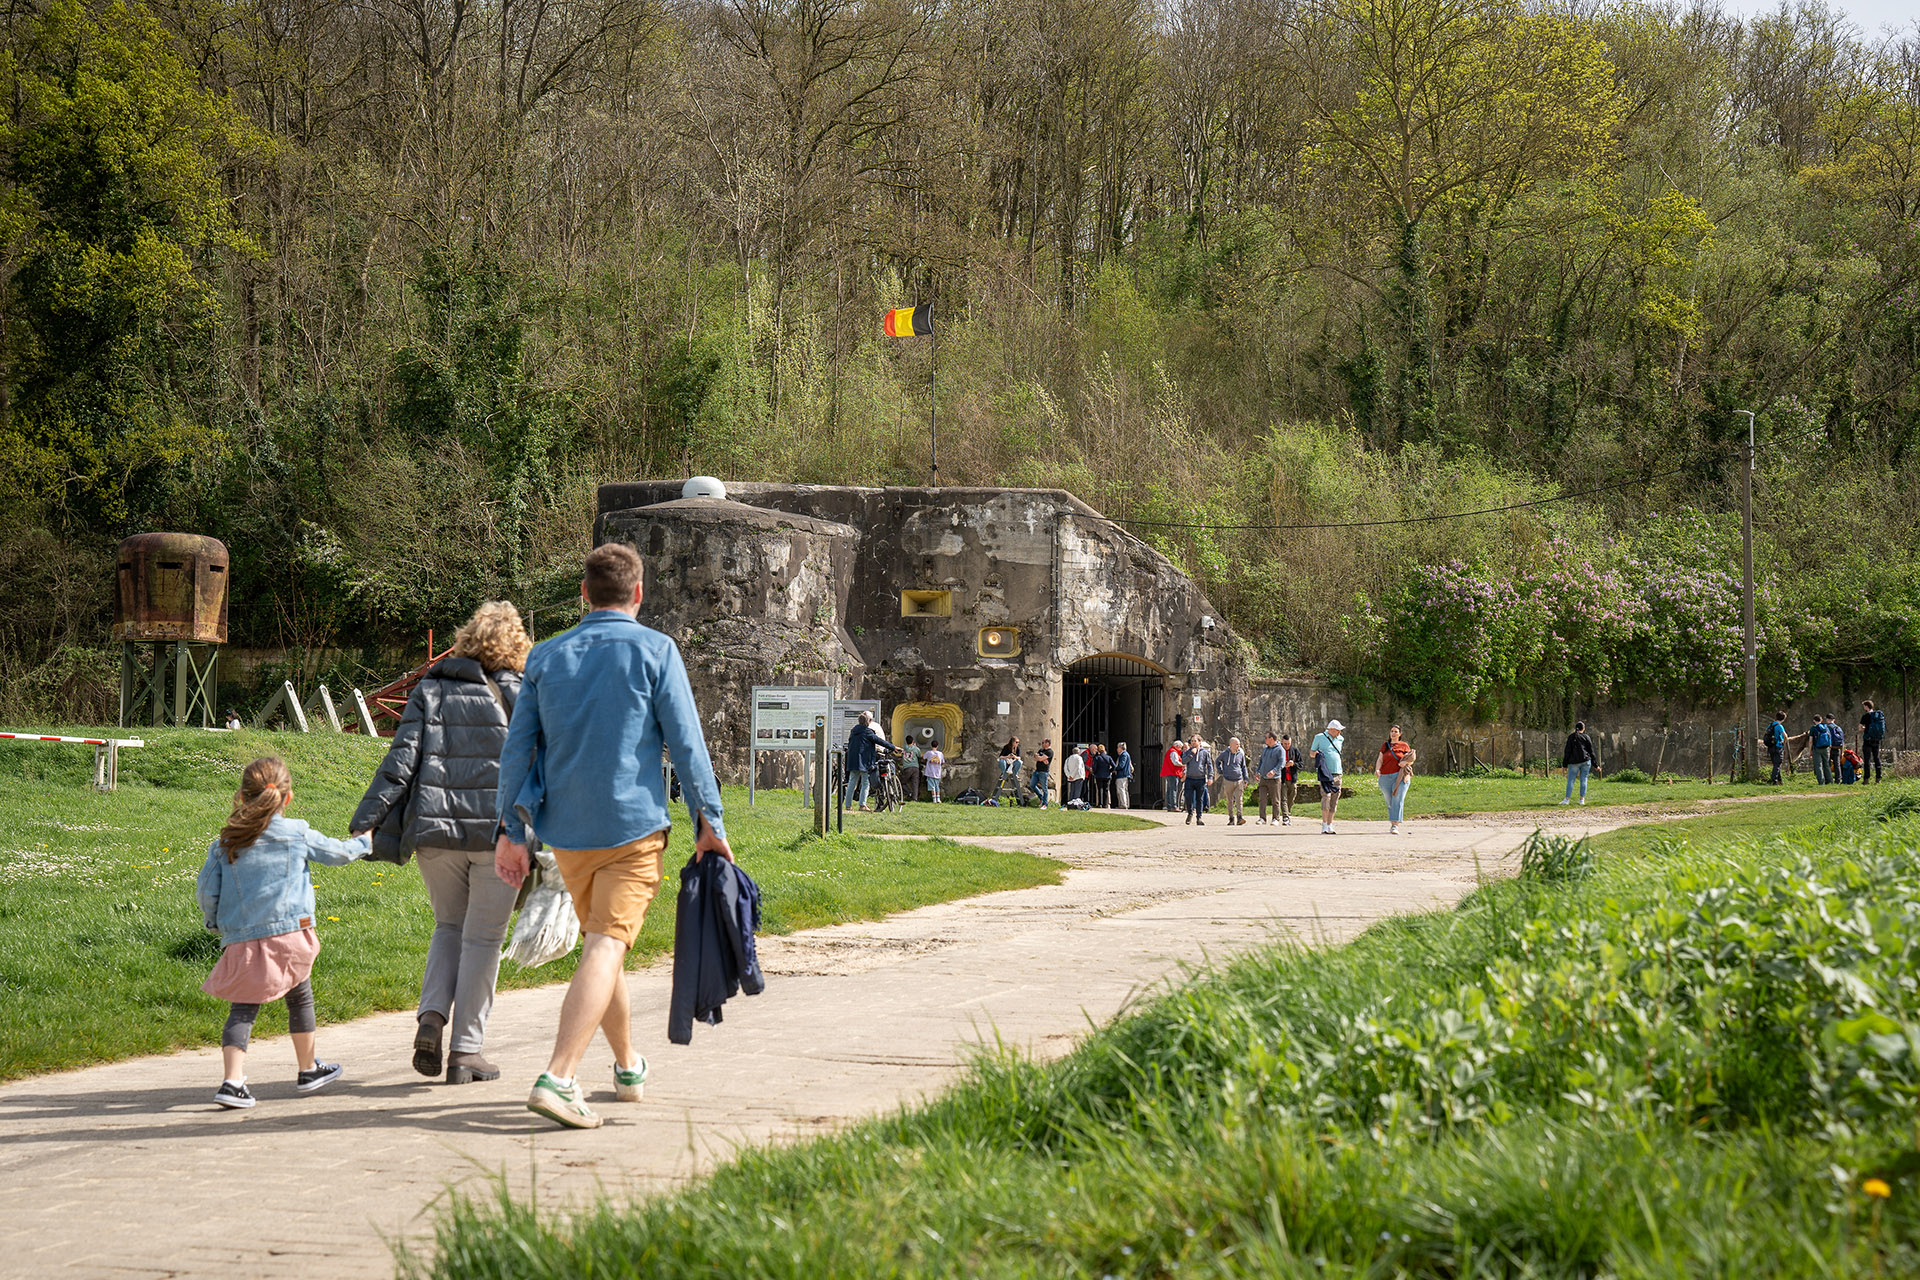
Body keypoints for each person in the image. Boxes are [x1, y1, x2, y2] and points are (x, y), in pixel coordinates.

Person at [493, 542, 734, 1131]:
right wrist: (710, 823)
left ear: (584, 594)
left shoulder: (546, 656)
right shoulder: (657, 650)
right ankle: (559, 1077)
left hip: (567, 835)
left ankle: (628, 1066)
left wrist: (510, 830)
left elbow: (517, 750)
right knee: (605, 946)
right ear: (639, 593)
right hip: (632, 829)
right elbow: (687, 744)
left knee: (604, 945)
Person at [351, 601, 532, 1086]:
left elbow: (400, 762)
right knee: (483, 939)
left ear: (466, 638)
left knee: (448, 926)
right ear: (517, 645)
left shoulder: (430, 688)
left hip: (434, 834)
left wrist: (367, 823)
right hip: (498, 836)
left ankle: (431, 1017)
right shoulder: (521, 693)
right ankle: (466, 1051)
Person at [196, 756, 370, 1109]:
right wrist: (364, 842)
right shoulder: (297, 833)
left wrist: (215, 924)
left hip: (243, 939)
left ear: (242, 797)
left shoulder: (227, 842)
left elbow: (207, 892)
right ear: (287, 798)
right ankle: (308, 1069)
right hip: (292, 936)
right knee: (300, 997)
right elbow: (337, 853)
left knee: (243, 1009)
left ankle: (232, 1082)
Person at [848, 712, 899, 811]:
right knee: (865, 782)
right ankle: (862, 805)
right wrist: (894, 747)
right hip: (864, 761)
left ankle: (848, 805)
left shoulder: (853, 731)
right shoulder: (868, 732)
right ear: (868, 721)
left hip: (853, 760)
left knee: (852, 782)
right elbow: (880, 741)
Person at [1375, 725, 1416, 835]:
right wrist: (1377, 769)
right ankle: (1393, 822)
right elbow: (1380, 759)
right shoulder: (1385, 745)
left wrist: (1405, 763)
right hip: (1385, 776)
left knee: (1397, 799)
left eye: (1396, 731)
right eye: (1392, 731)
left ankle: (1395, 825)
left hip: (1400, 776)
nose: (1393, 733)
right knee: (1389, 801)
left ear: (1400, 734)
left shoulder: (1404, 745)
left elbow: (1411, 759)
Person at [1310, 719, 1345, 834]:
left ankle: (1330, 824)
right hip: (1325, 773)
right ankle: (1324, 824)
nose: (1340, 732)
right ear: (1332, 729)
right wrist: (1317, 754)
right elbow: (1311, 753)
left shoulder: (1340, 739)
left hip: (1338, 772)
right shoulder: (1319, 737)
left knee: (1335, 798)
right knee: (1326, 797)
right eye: (1338, 730)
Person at [1560, 721, 1596, 805]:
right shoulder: (1586, 737)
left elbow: (1567, 751)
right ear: (1583, 728)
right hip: (1586, 761)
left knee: (1571, 780)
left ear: (1575, 728)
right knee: (1584, 780)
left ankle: (1567, 799)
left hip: (1573, 762)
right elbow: (1591, 751)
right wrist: (1595, 765)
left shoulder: (1571, 737)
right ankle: (1581, 800)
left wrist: (1564, 765)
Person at [1216, 737, 1249, 825]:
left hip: (1239, 780)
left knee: (1239, 800)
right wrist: (1220, 771)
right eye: (1237, 744)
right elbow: (1217, 761)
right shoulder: (1224, 754)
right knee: (1229, 800)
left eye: (1239, 744)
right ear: (1231, 745)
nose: (1238, 746)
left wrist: (1246, 778)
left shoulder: (1240, 754)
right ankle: (1231, 818)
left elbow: (1244, 767)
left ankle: (1239, 817)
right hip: (1228, 780)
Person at [1183, 734, 1213, 825]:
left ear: (1199, 742)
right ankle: (1190, 813)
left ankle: (1199, 817)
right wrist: (1191, 754)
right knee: (1188, 797)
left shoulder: (1205, 753)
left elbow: (1210, 765)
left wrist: (1210, 777)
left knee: (1199, 799)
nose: (1193, 743)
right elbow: (1183, 761)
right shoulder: (1188, 752)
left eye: (1195, 741)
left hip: (1200, 779)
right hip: (1190, 778)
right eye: (1192, 741)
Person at [1861, 699, 1887, 784]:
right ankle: (1878, 778)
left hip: (1868, 740)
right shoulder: (1878, 715)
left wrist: (1864, 728)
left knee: (1867, 759)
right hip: (1876, 739)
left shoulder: (1866, 716)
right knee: (1877, 758)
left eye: (1864, 706)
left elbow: (1860, 728)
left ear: (1866, 706)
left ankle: (1866, 779)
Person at [1160, 740, 1185, 811]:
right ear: (1177, 746)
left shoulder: (1170, 751)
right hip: (1173, 772)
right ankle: (1173, 806)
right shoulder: (1173, 752)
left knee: (1169, 789)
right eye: (1180, 747)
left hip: (1170, 772)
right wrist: (1182, 765)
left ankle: (1169, 805)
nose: (1181, 749)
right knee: (1173, 789)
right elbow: (1175, 762)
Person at [1808, 714, 1832, 784]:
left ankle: (1821, 782)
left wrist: (1810, 751)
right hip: (1826, 748)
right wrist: (1829, 748)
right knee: (1827, 765)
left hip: (1817, 749)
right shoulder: (1826, 727)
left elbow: (1810, 741)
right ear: (1821, 720)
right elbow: (1829, 737)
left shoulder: (1813, 728)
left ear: (1814, 720)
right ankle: (1829, 781)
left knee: (1818, 765)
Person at [1030, 739, 1054, 808]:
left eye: (1043, 742)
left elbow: (1040, 759)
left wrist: (1039, 758)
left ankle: (1044, 804)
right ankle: (1041, 797)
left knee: (1044, 788)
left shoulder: (1050, 752)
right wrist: (1041, 758)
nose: (1042, 744)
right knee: (1032, 785)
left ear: (1048, 743)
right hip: (1037, 771)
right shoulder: (1041, 750)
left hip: (1044, 772)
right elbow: (1034, 758)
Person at [1090, 743, 1115, 808]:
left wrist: (1094, 772)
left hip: (1099, 776)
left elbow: (1094, 767)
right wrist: (1110, 771)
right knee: (1106, 790)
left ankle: (1100, 803)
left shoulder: (1097, 758)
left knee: (1100, 789)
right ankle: (1105, 804)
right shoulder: (1108, 757)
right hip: (1107, 776)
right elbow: (1114, 766)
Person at [1766, 711, 1787, 785]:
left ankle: (1779, 781)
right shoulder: (1779, 726)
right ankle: (1773, 780)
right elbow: (1785, 736)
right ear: (1783, 719)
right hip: (1778, 746)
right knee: (1777, 764)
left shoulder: (1770, 725)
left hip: (1770, 746)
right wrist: (1783, 742)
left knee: (1775, 764)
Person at [901, 737, 923, 802]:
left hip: (907, 767)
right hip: (915, 767)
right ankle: (914, 798)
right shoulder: (916, 749)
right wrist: (915, 746)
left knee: (902, 782)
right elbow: (919, 755)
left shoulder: (903, 748)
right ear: (913, 741)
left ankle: (909, 793)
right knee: (915, 783)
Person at [1113, 742, 1132, 809]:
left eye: (1118, 747)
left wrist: (1115, 768)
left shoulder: (1123, 755)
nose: (1117, 749)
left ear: (1121, 748)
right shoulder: (1126, 754)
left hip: (1122, 775)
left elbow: (1121, 765)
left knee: (1121, 789)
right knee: (1125, 790)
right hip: (1125, 775)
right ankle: (1126, 804)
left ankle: (1123, 804)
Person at [1826, 714, 1845, 785]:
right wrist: (1842, 752)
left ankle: (1828, 780)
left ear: (1827, 719)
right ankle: (1838, 780)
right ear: (1834, 720)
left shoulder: (1827, 727)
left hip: (1829, 749)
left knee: (1827, 764)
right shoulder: (1838, 728)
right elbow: (1842, 741)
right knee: (1837, 765)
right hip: (1837, 749)